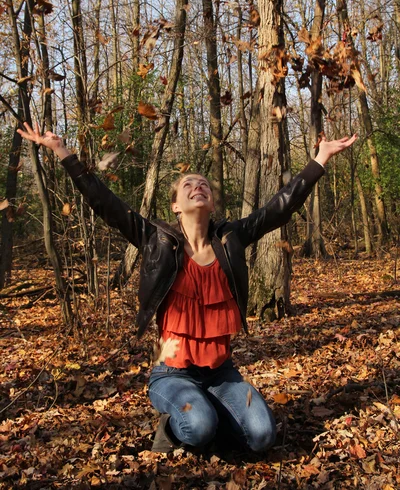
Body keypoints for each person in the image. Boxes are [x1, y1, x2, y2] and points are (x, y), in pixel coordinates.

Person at [17, 122, 357, 454]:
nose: (198, 186)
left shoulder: (230, 239)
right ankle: (181, 424)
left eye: (204, 184)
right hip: (172, 373)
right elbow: (105, 202)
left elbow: (279, 208)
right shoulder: (156, 240)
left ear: (211, 203)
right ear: (176, 206)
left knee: (262, 437)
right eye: (188, 185)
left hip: (222, 374)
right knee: (198, 427)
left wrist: (320, 159)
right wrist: (62, 151)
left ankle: (211, 411)